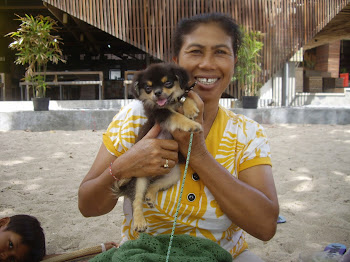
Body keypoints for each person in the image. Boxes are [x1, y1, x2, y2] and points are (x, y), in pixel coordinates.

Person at [78, 12, 279, 261]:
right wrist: (123, 167)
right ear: (175, 63)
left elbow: (265, 226)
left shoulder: (246, 133)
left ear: (234, 62)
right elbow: (87, 206)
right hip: (144, 254)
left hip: (225, 256)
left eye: (220, 52)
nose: (208, 64)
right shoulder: (135, 117)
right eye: (195, 51)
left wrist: (199, 155)